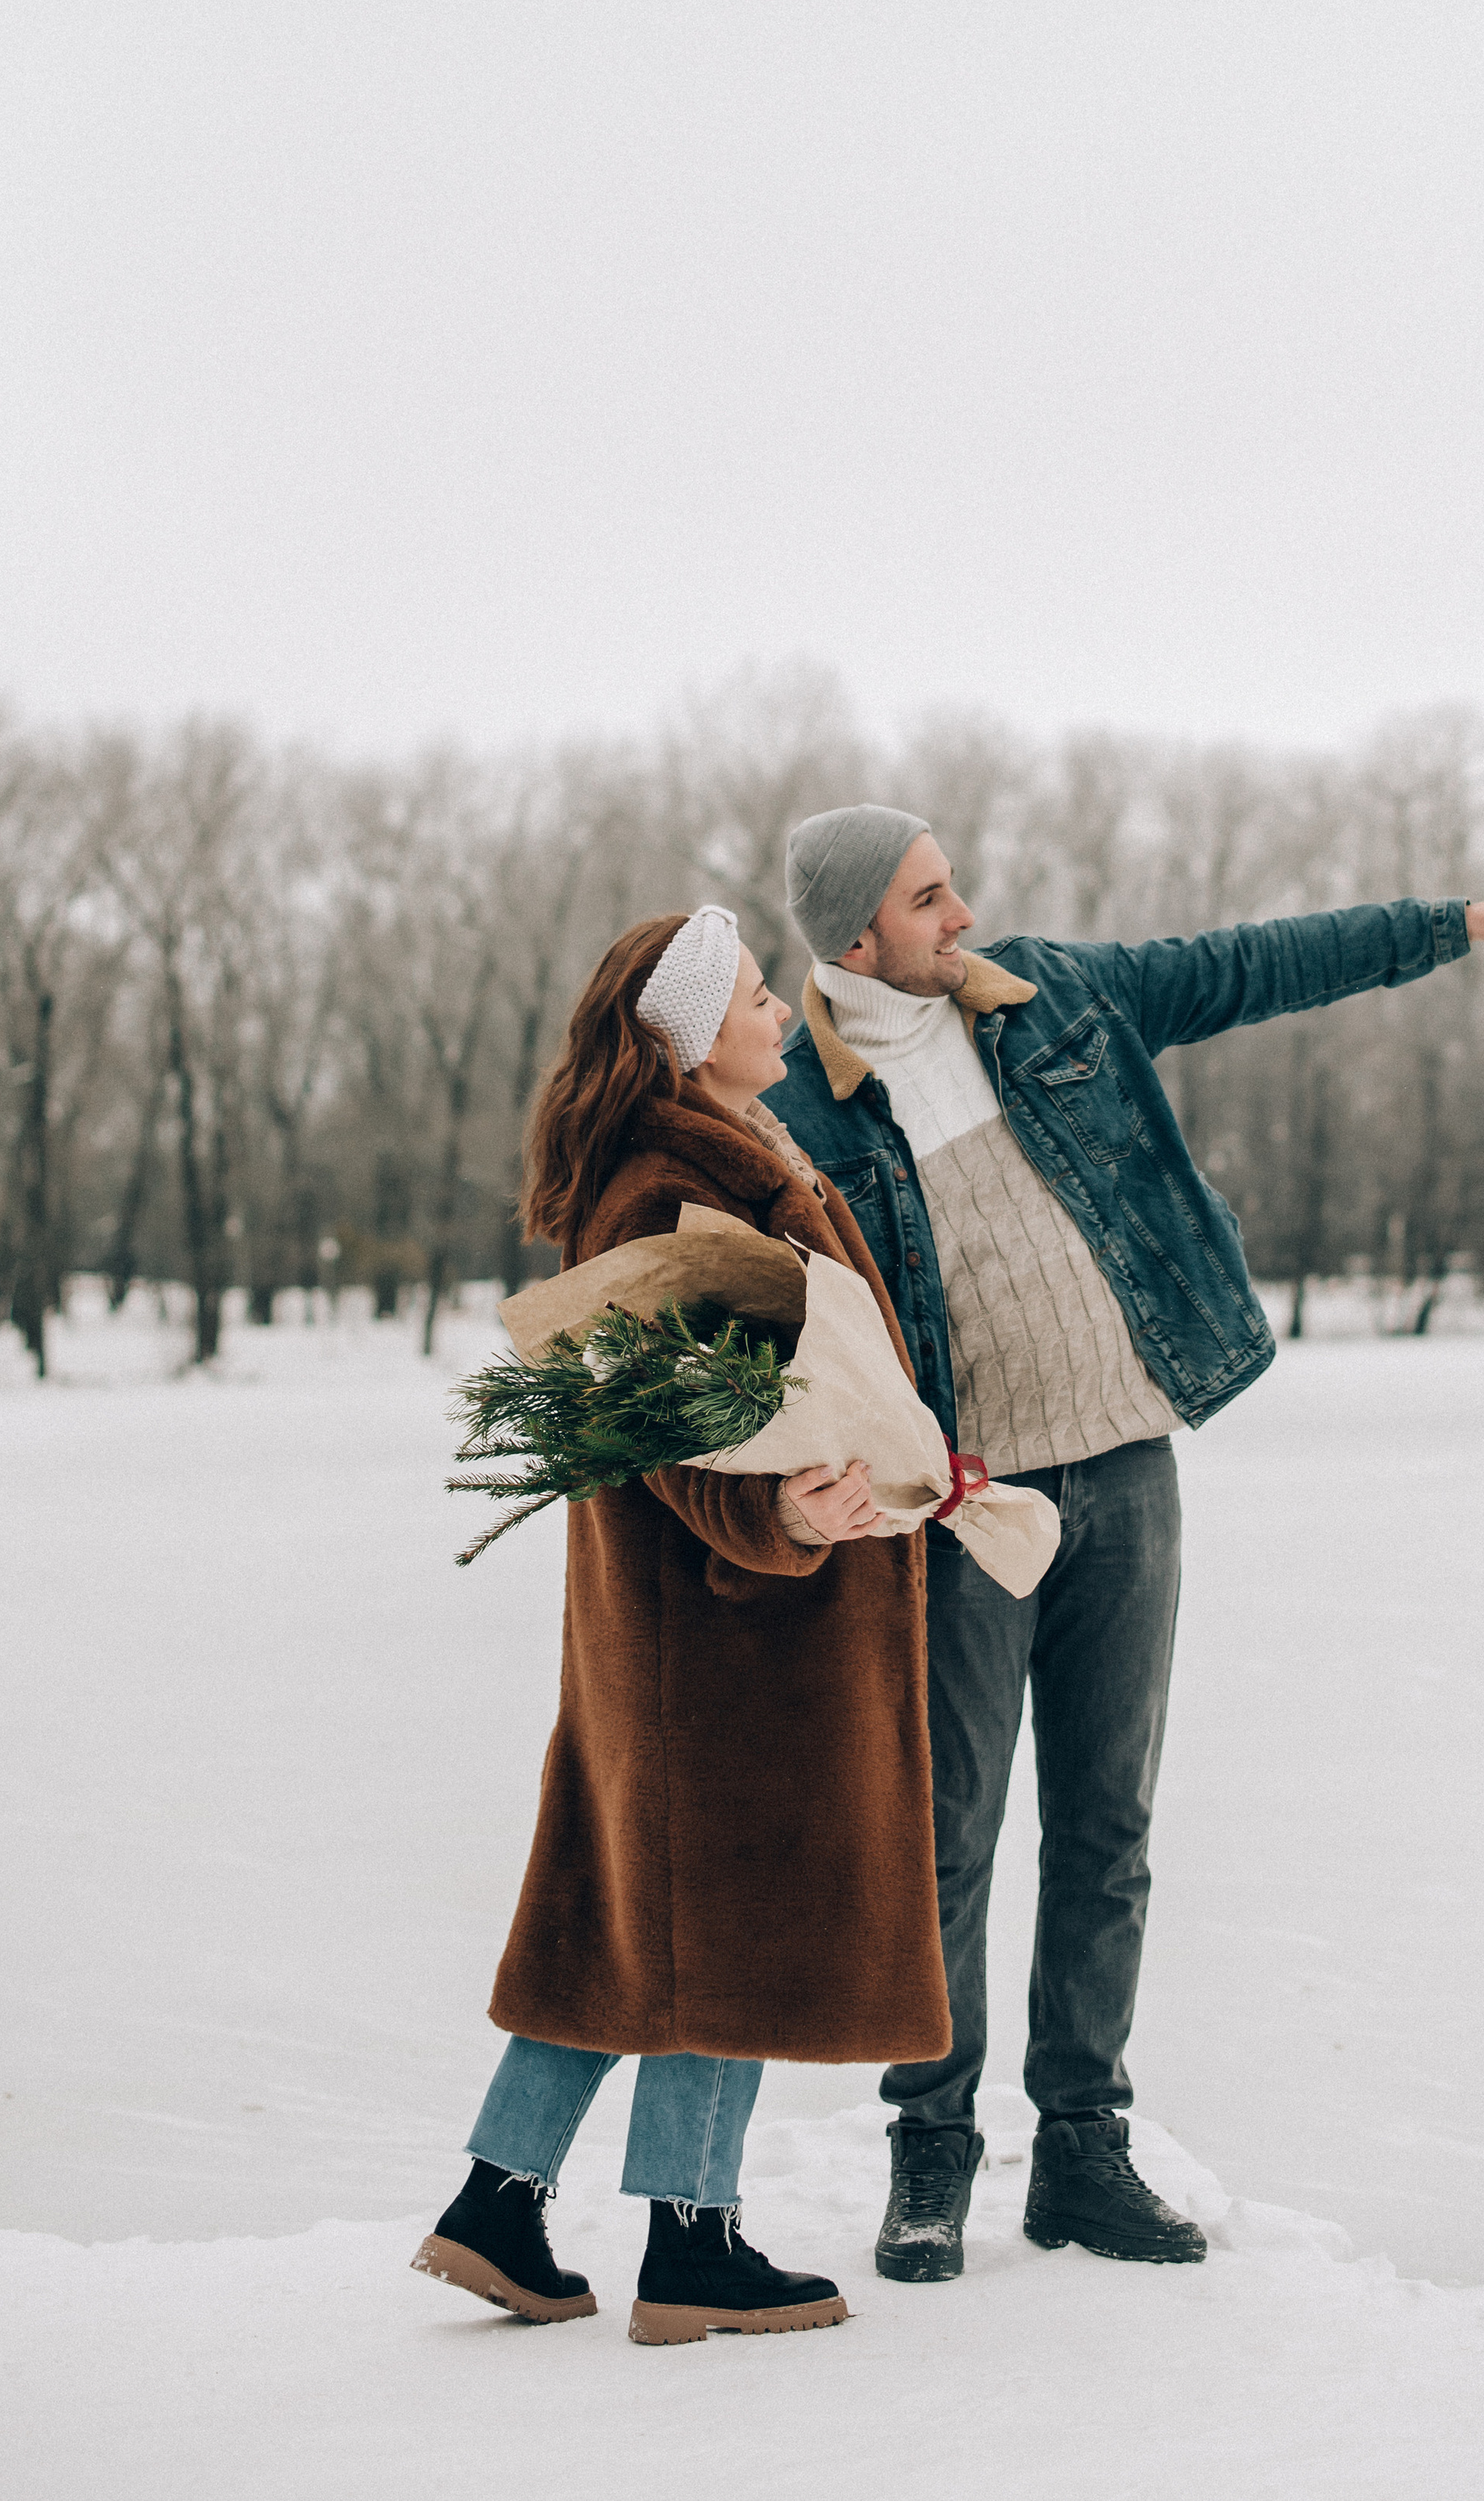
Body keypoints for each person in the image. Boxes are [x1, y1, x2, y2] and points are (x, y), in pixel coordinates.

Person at [766, 804, 1484, 2282]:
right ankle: (933, 2148)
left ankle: (1084, 2146)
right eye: (929, 897)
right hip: (964, 1511)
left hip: (1127, 1469)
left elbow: (1251, 963)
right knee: (947, 1840)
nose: (963, 913)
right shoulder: (796, 1104)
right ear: (855, 942)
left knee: (1108, 1827)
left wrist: (1463, 921)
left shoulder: (1055, 996)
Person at [413, 904, 950, 2346]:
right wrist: (781, 1526)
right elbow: (668, 1434)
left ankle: (498, 2204)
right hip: (726, 1632)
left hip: (693, 1631)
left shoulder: (715, 1160)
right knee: (730, 1919)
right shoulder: (667, 1188)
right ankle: (691, 2244)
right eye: (760, 997)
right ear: (686, 1034)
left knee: (629, 1919)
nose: (783, 1013)